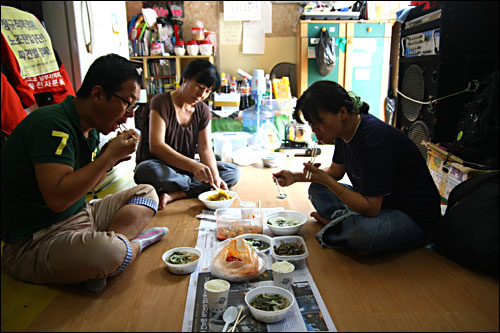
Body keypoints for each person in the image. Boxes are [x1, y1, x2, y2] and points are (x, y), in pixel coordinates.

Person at [1, 54, 168, 293]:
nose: (130, 114)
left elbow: (84, 188)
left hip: (80, 216)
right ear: (98, 95)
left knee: (147, 192)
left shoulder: (88, 130)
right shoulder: (51, 125)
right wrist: (107, 157)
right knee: (110, 252)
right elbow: (58, 199)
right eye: (127, 104)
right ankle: (130, 247)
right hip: (34, 243)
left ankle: (113, 251)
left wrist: (108, 161)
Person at [273, 80, 441, 255]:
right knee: (317, 188)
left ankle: (340, 224)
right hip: (380, 205)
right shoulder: (342, 132)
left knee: (360, 233)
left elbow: (371, 208)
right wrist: (295, 176)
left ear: (343, 112)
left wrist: (326, 180)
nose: (315, 130)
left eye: (319, 122)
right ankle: (341, 224)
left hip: (412, 217)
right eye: (311, 125)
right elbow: (335, 173)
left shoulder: (373, 141)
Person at [134, 59, 240, 210]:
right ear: (185, 79)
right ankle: (192, 187)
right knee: (146, 171)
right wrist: (194, 166)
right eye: (199, 87)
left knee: (232, 172)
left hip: (185, 170)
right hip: (162, 167)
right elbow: (156, 146)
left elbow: (205, 149)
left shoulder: (202, 110)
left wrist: (215, 178)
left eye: (208, 91)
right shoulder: (160, 102)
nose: (202, 95)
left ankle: (177, 194)